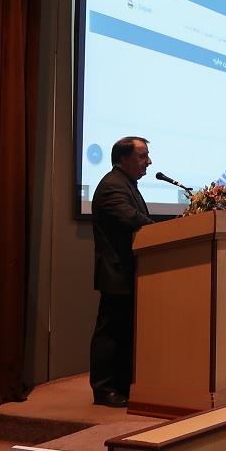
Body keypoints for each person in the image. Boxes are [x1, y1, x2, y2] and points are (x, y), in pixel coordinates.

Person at [90, 136, 154, 407]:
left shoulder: (126, 183)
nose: (149, 162)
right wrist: (162, 229)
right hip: (117, 272)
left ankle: (121, 384)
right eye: (142, 156)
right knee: (111, 332)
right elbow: (132, 219)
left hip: (128, 271)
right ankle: (104, 389)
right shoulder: (112, 186)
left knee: (124, 331)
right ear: (123, 159)